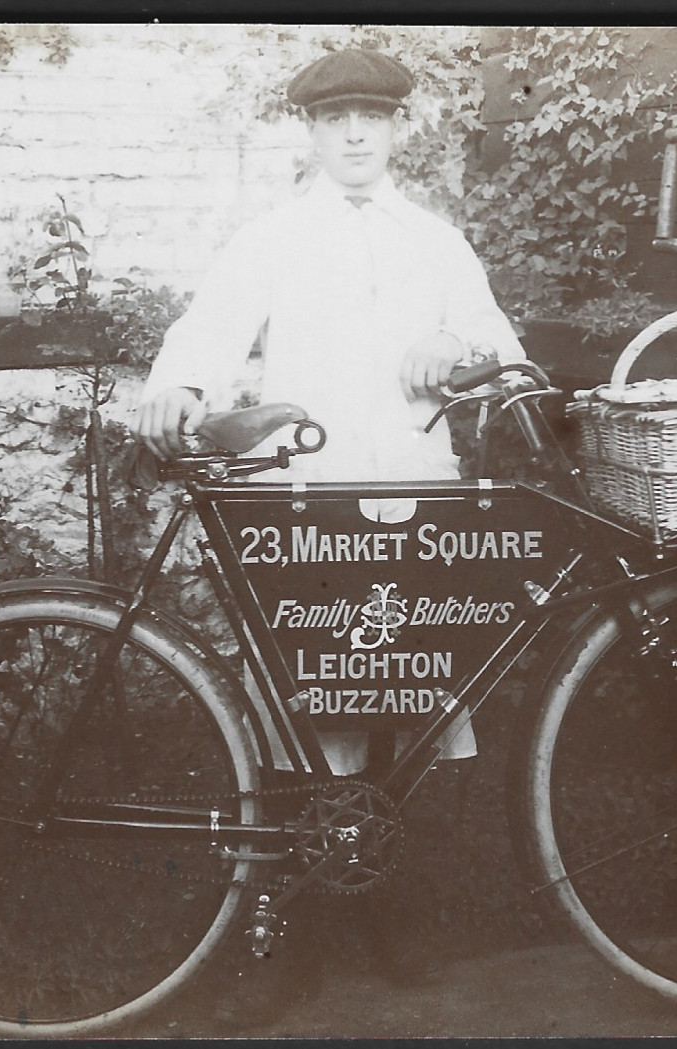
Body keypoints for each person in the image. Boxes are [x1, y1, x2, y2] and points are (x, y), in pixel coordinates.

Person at [135, 47, 526, 779]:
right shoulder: (273, 237)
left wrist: (453, 342)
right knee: (312, 661)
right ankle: (304, 816)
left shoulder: (435, 241)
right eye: (335, 118)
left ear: (395, 128)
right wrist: (181, 386)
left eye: (371, 117)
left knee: (408, 651)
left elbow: (498, 342)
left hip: (412, 484)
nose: (354, 134)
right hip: (310, 484)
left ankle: (391, 819)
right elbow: (212, 325)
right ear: (311, 131)